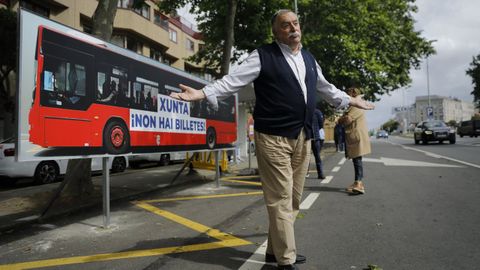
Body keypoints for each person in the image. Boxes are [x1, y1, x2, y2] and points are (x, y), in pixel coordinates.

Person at [169, 10, 374, 269]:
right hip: (273, 137)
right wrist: (201, 93)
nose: (293, 28)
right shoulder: (263, 56)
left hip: (303, 135)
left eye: (295, 23)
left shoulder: (309, 58)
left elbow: (325, 87)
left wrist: (351, 99)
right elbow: (233, 81)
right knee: (280, 197)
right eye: (285, 25)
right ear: (276, 31)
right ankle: (285, 260)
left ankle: (274, 251)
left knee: (294, 197)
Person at [338, 87, 372, 195]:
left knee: (357, 160)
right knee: (356, 160)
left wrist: (339, 120)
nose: (346, 95)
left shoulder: (356, 106)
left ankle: (359, 183)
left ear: (353, 93)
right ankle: (357, 182)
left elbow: (347, 119)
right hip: (355, 137)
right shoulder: (354, 106)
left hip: (356, 137)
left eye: (348, 93)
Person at [311, 108, 326, 179]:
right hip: (315, 137)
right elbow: (321, 125)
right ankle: (320, 173)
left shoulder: (302, 109)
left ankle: (304, 173)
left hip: (306, 137)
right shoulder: (317, 112)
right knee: (317, 156)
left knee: (304, 156)